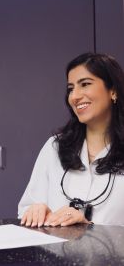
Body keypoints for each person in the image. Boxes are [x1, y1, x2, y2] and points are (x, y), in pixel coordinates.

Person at [18, 52, 124, 227]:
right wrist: (37, 211)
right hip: (57, 255)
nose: (74, 96)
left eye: (85, 84)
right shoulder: (54, 147)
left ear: (112, 90)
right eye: (70, 89)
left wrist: (90, 228)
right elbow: (25, 210)